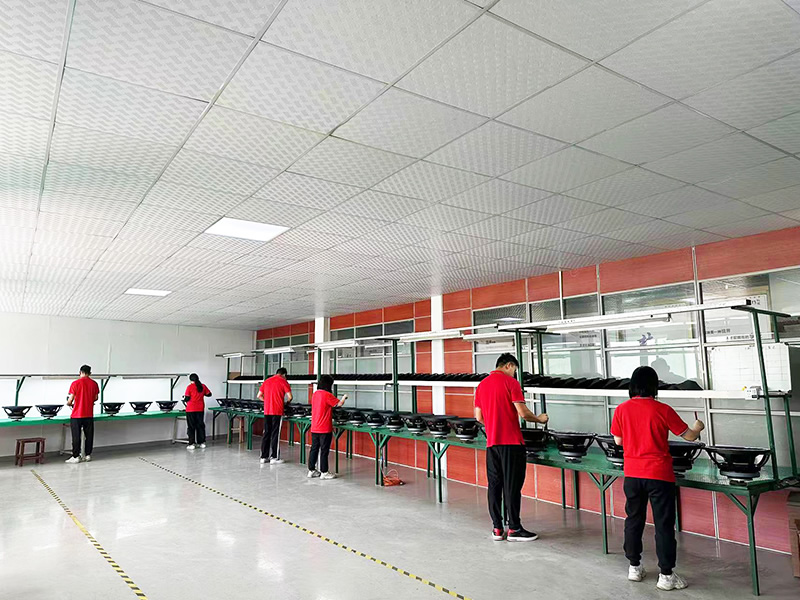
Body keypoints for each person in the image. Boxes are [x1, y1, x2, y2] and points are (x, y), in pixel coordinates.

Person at [610, 365, 705, 591]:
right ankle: (666, 576)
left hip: (632, 474)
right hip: (659, 475)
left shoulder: (621, 409)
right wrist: (698, 427)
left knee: (634, 520)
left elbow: (618, 441)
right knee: (663, 525)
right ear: (654, 386)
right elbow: (689, 437)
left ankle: (634, 567)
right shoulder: (663, 409)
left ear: (632, 386)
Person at [474, 353, 548, 542]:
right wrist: (540, 419)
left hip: (492, 444)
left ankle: (497, 529)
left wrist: (494, 425)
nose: (515, 374)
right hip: (512, 444)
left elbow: (478, 417)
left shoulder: (482, 385)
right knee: (512, 486)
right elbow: (523, 413)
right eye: (515, 370)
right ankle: (514, 529)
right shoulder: (511, 383)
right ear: (508, 365)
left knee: (494, 485)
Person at [308, 374, 347, 480]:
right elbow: (339, 404)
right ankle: (324, 472)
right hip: (324, 428)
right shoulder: (327, 394)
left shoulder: (315, 394)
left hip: (315, 426)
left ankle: (311, 470)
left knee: (314, 449)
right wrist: (344, 397)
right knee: (324, 450)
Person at [258, 367, 292, 465]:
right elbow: (290, 397)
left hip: (267, 410)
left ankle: (263, 457)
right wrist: (286, 404)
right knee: (275, 433)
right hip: (277, 411)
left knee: (266, 433)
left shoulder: (266, 381)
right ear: (284, 375)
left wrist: (267, 401)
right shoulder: (283, 381)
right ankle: (274, 457)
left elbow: (259, 395)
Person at [65, 365, 99, 464]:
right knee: (89, 436)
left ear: (80, 372)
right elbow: (96, 398)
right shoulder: (94, 384)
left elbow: (70, 399)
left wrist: (69, 403)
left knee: (76, 436)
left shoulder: (75, 383)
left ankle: (76, 456)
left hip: (77, 415)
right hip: (89, 414)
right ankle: (88, 455)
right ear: (90, 373)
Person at [184, 373, 211, 451]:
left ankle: (191, 444)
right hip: (200, 409)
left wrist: (185, 399)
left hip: (191, 409)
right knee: (200, 425)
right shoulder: (203, 386)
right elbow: (209, 394)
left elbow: (187, 398)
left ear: (190, 380)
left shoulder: (189, 387)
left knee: (191, 426)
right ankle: (202, 442)